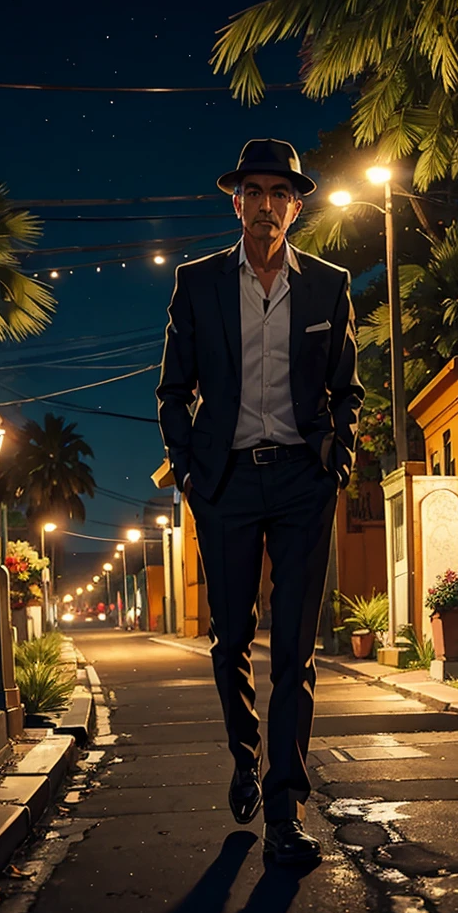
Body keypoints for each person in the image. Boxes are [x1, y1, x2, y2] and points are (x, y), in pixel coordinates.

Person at [156, 138, 363, 865]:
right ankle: (245, 757)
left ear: (297, 206)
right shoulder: (199, 282)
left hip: (305, 481)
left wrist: (337, 460)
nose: (268, 204)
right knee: (231, 640)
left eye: (281, 192)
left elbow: (348, 390)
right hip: (228, 484)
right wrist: (188, 475)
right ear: (235, 201)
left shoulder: (328, 287)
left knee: (297, 656)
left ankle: (285, 808)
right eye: (256, 191)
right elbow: (173, 391)